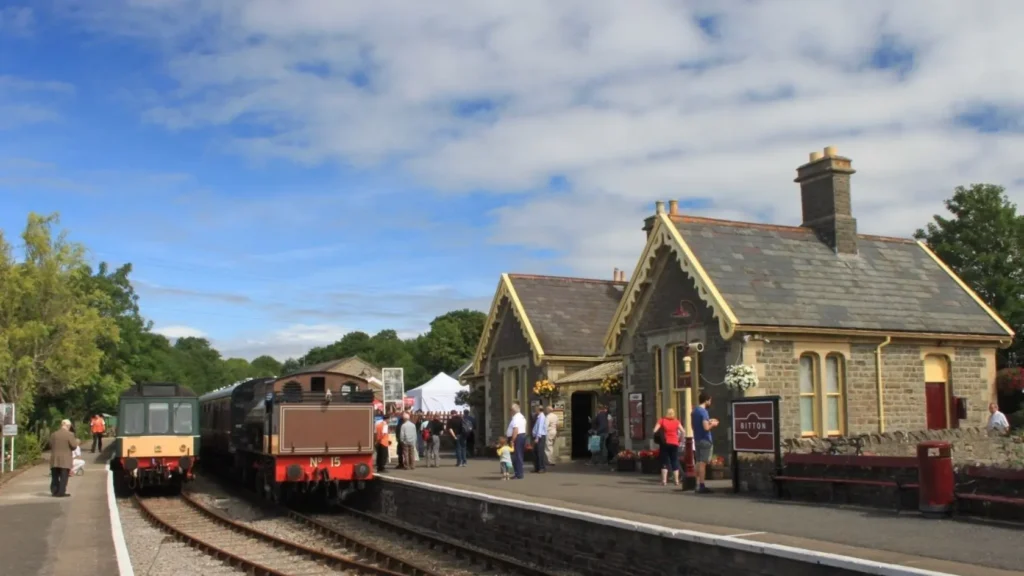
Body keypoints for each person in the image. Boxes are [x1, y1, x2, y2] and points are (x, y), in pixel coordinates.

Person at [691, 393, 719, 494]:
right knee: (703, 463)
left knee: (698, 462)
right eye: (710, 400)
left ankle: (697, 484)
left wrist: (709, 421)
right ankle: (702, 485)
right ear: (706, 400)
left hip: (697, 439)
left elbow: (694, 425)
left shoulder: (695, 411)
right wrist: (713, 424)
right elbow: (706, 427)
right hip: (705, 439)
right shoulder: (704, 412)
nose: (710, 402)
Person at [653, 408, 684, 487]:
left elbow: (655, 430)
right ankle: (676, 481)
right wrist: (680, 439)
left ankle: (664, 481)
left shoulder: (662, 420)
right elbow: (683, 431)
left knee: (664, 461)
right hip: (674, 443)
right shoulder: (676, 421)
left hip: (665, 443)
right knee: (674, 460)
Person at [49, 419, 79, 497]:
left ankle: (54, 491)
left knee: (55, 476)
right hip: (65, 459)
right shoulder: (70, 434)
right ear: (68, 426)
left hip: (54, 458)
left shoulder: (54, 434)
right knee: (64, 477)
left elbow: (50, 445)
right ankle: (61, 492)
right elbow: (74, 446)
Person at [506, 403, 527, 479]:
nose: (510, 412)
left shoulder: (516, 418)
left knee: (517, 456)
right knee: (518, 455)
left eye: (510, 410)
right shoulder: (521, 417)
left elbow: (516, 430)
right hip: (521, 436)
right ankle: (518, 473)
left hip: (517, 437)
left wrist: (512, 440)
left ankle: (518, 474)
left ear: (513, 410)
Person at [531, 405, 547, 473]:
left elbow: (540, 428)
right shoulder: (538, 417)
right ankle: (537, 467)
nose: (535, 410)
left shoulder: (542, 417)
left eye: (536, 409)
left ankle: (542, 468)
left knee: (540, 453)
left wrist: (537, 437)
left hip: (540, 437)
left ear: (539, 410)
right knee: (536, 452)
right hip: (537, 436)